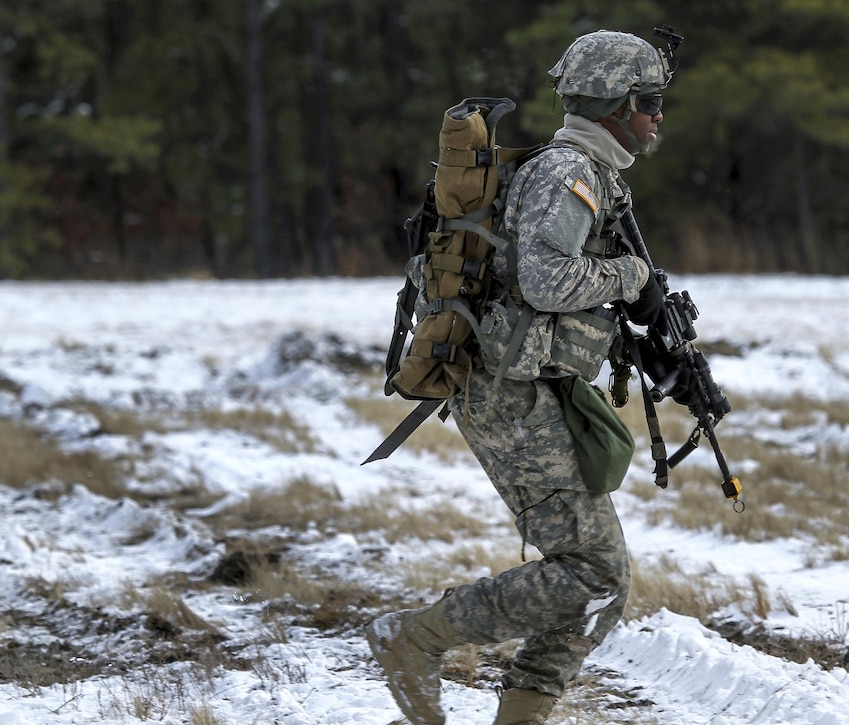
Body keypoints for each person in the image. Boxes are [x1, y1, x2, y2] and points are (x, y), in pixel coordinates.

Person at [366, 29, 673, 725]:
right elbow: (544, 278)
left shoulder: (591, 171)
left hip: (531, 384)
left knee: (600, 581)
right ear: (615, 104)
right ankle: (413, 638)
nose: (659, 114)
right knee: (593, 574)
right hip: (507, 391)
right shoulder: (569, 171)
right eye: (649, 100)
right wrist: (631, 276)